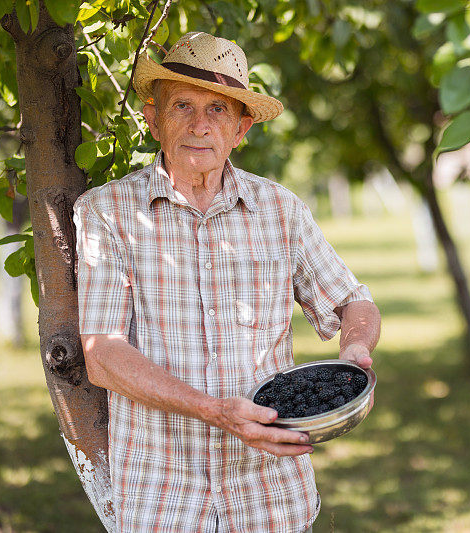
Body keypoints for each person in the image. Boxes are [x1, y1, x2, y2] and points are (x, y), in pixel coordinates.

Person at [73, 32, 380, 533]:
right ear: (153, 121)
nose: (199, 125)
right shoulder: (107, 213)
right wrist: (215, 412)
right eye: (183, 107)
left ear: (241, 129)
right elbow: (103, 356)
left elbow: (354, 302)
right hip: (162, 498)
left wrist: (356, 352)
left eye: (218, 109)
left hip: (272, 497)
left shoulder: (279, 211)